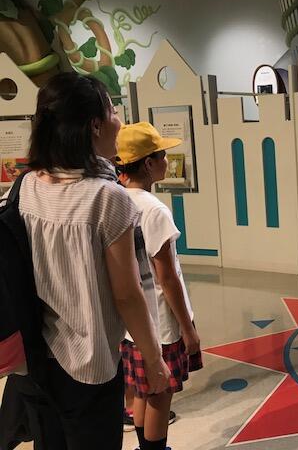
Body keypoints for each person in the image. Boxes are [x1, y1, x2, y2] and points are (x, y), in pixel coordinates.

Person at [0, 72, 170, 450]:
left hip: (34, 361)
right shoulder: (107, 198)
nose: (118, 121)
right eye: (112, 110)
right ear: (95, 125)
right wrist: (153, 360)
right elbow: (127, 295)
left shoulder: (26, 184)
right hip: (88, 367)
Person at [115, 121, 202, 450]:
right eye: (162, 154)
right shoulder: (154, 210)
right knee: (161, 392)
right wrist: (188, 329)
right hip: (161, 323)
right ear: (149, 163)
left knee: (143, 390)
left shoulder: (117, 200)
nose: (167, 160)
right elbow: (167, 277)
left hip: (132, 323)